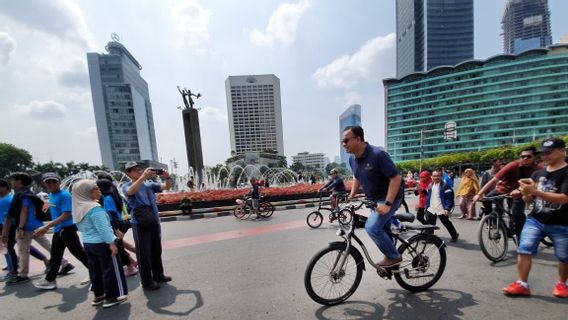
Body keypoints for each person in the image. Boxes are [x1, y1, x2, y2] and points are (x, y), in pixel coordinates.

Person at [503, 138, 568, 298]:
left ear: (562, 151)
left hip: (562, 221)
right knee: (524, 249)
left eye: (549, 152)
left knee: (564, 256)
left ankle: (562, 284)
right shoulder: (538, 173)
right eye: (543, 153)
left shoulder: (567, 172)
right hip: (536, 219)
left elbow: (564, 198)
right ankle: (522, 284)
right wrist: (525, 193)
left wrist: (535, 191)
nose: (545, 156)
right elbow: (530, 201)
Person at [344, 125, 404, 267]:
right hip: (374, 200)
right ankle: (392, 260)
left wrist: (388, 204)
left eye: (347, 140)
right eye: (343, 141)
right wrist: (351, 195)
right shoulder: (352, 159)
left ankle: (393, 257)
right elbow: (357, 177)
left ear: (358, 139)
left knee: (371, 227)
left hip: (390, 198)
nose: (344, 144)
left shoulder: (377, 155)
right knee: (382, 229)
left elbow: (396, 178)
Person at [72, 179, 128, 307]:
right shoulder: (94, 208)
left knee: (95, 270)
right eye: (95, 189)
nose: (99, 191)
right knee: (110, 270)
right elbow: (103, 229)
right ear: (88, 193)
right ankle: (111, 297)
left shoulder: (79, 207)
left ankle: (99, 295)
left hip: (88, 244)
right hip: (103, 243)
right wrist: (112, 244)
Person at [33, 172, 90, 290]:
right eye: (48, 182)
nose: (51, 184)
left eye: (54, 181)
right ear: (44, 183)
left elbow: (66, 214)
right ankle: (50, 279)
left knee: (77, 252)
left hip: (67, 228)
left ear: (59, 182)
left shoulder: (64, 195)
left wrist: (46, 227)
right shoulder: (52, 195)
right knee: (56, 255)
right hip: (60, 229)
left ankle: (96, 272)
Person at [122, 162, 172, 291]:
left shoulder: (149, 184)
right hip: (139, 223)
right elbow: (130, 192)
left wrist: (167, 177)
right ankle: (147, 281)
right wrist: (143, 177)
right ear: (128, 173)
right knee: (144, 253)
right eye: (134, 170)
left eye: (139, 169)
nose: (139, 171)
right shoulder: (126, 185)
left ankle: (158, 275)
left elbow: (166, 186)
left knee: (156, 250)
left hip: (154, 221)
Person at [473, 146, 540, 241]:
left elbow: (538, 184)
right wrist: (479, 194)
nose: (525, 158)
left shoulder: (537, 168)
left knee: (517, 213)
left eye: (528, 156)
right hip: (503, 189)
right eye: (522, 156)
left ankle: (520, 238)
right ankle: (496, 221)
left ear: (534, 157)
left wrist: (521, 191)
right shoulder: (512, 165)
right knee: (486, 200)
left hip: (520, 193)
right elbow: (494, 180)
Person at [1, 172, 57, 285]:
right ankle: (64, 263)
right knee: (47, 246)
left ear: (19, 181)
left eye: (13, 180)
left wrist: (20, 228)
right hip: (35, 225)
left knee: (22, 250)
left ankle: (21, 274)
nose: (11, 182)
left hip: (26, 227)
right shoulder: (26, 193)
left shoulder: (21, 195)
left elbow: (23, 211)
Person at [96, 178, 138, 277]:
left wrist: (116, 229)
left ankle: (131, 267)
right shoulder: (113, 195)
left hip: (117, 224)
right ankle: (132, 263)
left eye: (97, 188)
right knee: (119, 245)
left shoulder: (108, 198)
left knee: (118, 247)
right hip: (121, 222)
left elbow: (112, 214)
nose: (96, 190)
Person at [425, 168, 459, 242]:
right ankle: (430, 238)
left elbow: (449, 198)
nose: (436, 177)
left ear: (441, 176)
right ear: (431, 176)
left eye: (438, 176)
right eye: (434, 176)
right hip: (432, 207)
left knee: (446, 222)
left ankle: (454, 235)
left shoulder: (445, 186)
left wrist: (447, 208)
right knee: (430, 223)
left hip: (442, 208)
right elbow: (428, 197)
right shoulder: (430, 185)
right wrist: (426, 207)